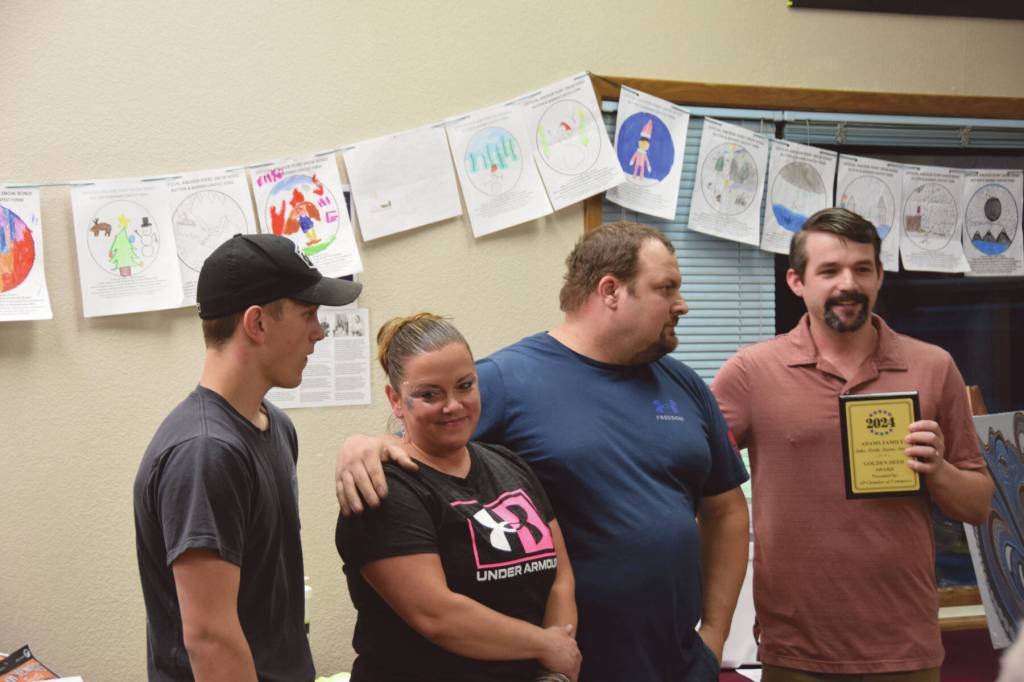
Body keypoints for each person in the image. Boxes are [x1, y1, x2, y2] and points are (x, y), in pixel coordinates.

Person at [336, 222, 750, 681]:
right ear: (611, 291)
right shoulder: (510, 380)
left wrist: (712, 639)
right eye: (666, 287)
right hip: (573, 666)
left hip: (676, 662)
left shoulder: (686, 385)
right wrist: (362, 445)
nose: (682, 304)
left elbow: (727, 512)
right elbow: (425, 442)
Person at [710, 208, 994, 681]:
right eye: (829, 271)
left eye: (862, 269)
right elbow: (695, 476)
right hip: (794, 650)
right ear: (797, 282)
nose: (849, 283)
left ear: (880, 276)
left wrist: (939, 469)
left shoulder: (933, 366)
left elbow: (979, 505)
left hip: (907, 648)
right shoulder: (751, 372)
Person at [133, 233, 362, 681]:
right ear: (256, 323)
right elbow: (209, 638)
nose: (319, 331)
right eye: (308, 313)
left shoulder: (276, 427)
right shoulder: (205, 452)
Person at [336, 313, 580, 681]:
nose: (453, 405)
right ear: (396, 399)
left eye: (465, 386)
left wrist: (553, 669)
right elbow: (439, 616)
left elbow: (560, 576)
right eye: (430, 394)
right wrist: (545, 645)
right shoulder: (384, 487)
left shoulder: (509, 464)